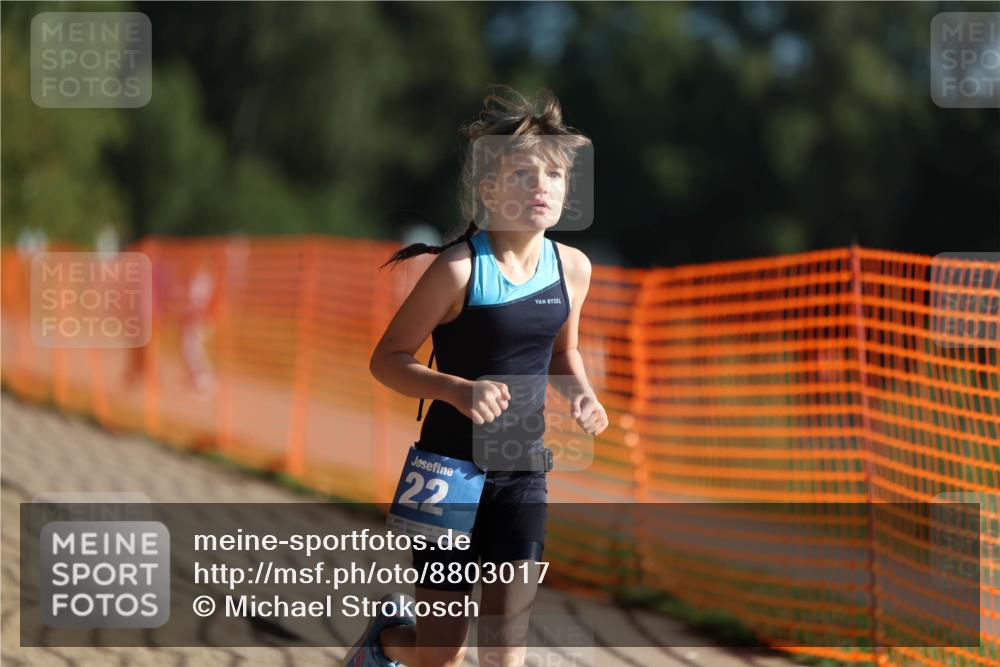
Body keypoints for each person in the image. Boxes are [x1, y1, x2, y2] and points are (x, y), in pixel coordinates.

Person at [346, 85, 608, 667]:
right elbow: (387, 359)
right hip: (447, 474)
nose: (541, 186)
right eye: (522, 174)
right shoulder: (458, 268)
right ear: (489, 190)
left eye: (555, 176)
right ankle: (383, 641)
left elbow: (564, 355)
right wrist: (456, 390)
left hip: (522, 474)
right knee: (440, 655)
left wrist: (584, 396)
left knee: (503, 652)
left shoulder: (574, 269)